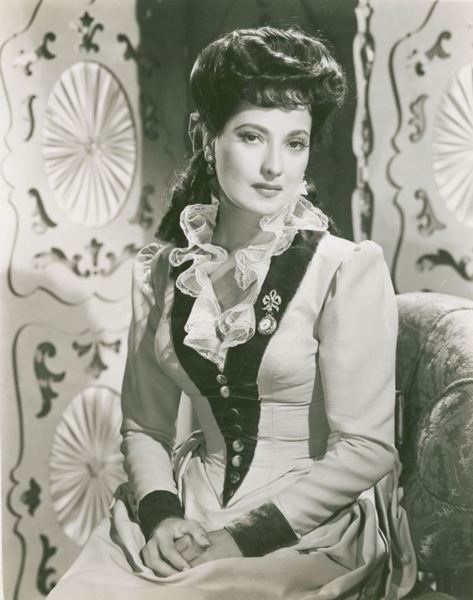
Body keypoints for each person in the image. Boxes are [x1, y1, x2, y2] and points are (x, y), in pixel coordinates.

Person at [48, 25, 417, 600]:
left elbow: (367, 448)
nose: (274, 165)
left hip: (304, 525)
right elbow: (145, 427)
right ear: (206, 136)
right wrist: (163, 517)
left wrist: (241, 539)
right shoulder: (162, 273)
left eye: (294, 143)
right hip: (188, 506)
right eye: (251, 136)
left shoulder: (344, 268)